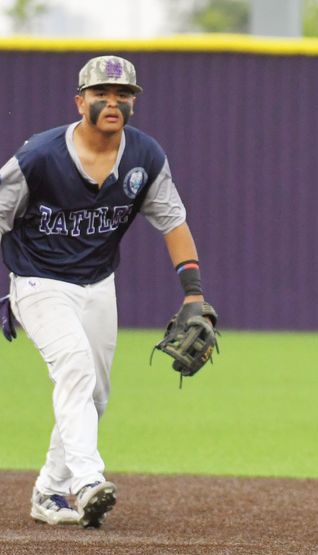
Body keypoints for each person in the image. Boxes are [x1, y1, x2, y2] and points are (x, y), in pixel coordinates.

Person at [0, 56, 213, 528]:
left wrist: (193, 294)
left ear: (133, 102)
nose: (113, 101)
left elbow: (172, 222)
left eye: (124, 94)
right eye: (101, 93)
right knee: (74, 367)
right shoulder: (38, 157)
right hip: (38, 281)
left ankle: (49, 492)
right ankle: (87, 482)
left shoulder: (145, 157)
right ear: (81, 101)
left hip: (97, 284)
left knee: (94, 395)